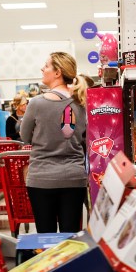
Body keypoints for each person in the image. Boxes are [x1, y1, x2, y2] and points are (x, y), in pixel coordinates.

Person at [20, 52, 91, 233]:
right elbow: (85, 139)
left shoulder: (36, 103)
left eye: (46, 66)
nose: (42, 69)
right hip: (74, 178)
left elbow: (25, 137)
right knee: (70, 238)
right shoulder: (82, 102)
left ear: (57, 72)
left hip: (41, 179)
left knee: (46, 237)